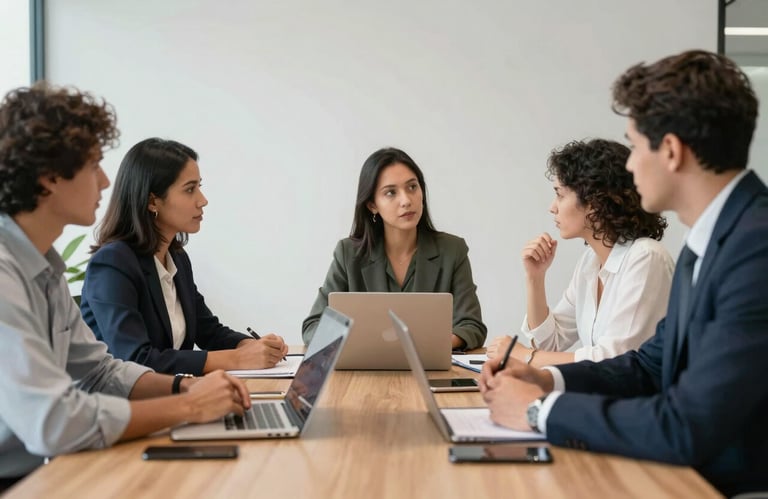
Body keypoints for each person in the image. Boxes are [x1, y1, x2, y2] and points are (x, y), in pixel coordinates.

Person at [479, 50, 768, 496]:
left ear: (670, 151)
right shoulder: (708, 241)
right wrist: (545, 379)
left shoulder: (756, 248)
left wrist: (541, 411)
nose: (630, 165)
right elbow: (648, 366)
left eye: (634, 145)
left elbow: (687, 424)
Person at [0, 83, 250, 488]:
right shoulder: (5, 276)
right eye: (93, 164)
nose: (104, 181)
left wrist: (184, 387)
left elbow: (98, 372)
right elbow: (53, 422)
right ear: (48, 178)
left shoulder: (44, 269)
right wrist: (187, 405)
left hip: (37, 472)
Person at [80, 138, 288, 375]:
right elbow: (136, 360)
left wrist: (251, 346)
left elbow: (208, 331)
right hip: (124, 408)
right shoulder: (112, 264)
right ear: (152, 201)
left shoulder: (176, 258)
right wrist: (238, 358)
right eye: (190, 189)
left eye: (200, 186)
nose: (203, 200)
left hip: (170, 400)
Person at [487, 139, 674, 366]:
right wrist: (535, 278)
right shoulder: (590, 262)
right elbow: (551, 344)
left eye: (560, 194)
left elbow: (614, 359)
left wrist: (524, 355)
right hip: (602, 395)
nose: (552, 207)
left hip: (636, 399)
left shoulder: (646, 258)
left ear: (594, 202)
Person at [302, 147, 486, 350]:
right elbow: (313, 327)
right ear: (372, 204)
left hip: (431, 371)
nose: (406, 200)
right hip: (366, 374)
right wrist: (363, 345)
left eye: (412, 187)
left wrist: (431, 346)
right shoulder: (348, 254)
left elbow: (471, 326)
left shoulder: (452, 250)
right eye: (391, 192)